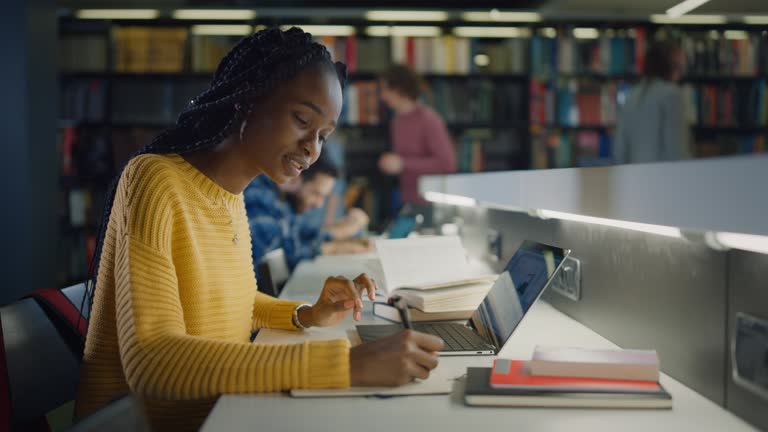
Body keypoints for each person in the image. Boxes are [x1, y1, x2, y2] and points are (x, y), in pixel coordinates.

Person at [75, 28, 443, 431]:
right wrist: (347, 364)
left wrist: (307, 314)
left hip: (220, 412)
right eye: (302, 119)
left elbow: (235, 304)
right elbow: (154, 361)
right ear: (247, 98)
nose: (312, 148)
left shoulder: (232, 195)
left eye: (323, 135)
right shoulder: (154, 181)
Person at [245, 153, 369, 272]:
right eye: (316, 193)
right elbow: (284, 259)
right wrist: (333, 248)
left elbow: (302, 233)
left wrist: (341, 232)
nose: (319, 204)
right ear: (295, 179)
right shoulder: (258, 196)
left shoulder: (282, 202)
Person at [378, 64, 457, 207]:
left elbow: (447, 163)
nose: (382, 96)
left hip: (433, 203)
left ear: (400, 89)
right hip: (408, 201)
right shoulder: (397, 121)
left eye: (386, 90)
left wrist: (403, 163)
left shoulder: (429, 120)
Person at [613, 40, 691, 164]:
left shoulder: (631, 95)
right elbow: (677, 150)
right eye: (677, 65)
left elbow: (620, 150)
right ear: (668, 66)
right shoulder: (671, 95)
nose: (680, 72)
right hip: (664, 178)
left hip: (635, 176)